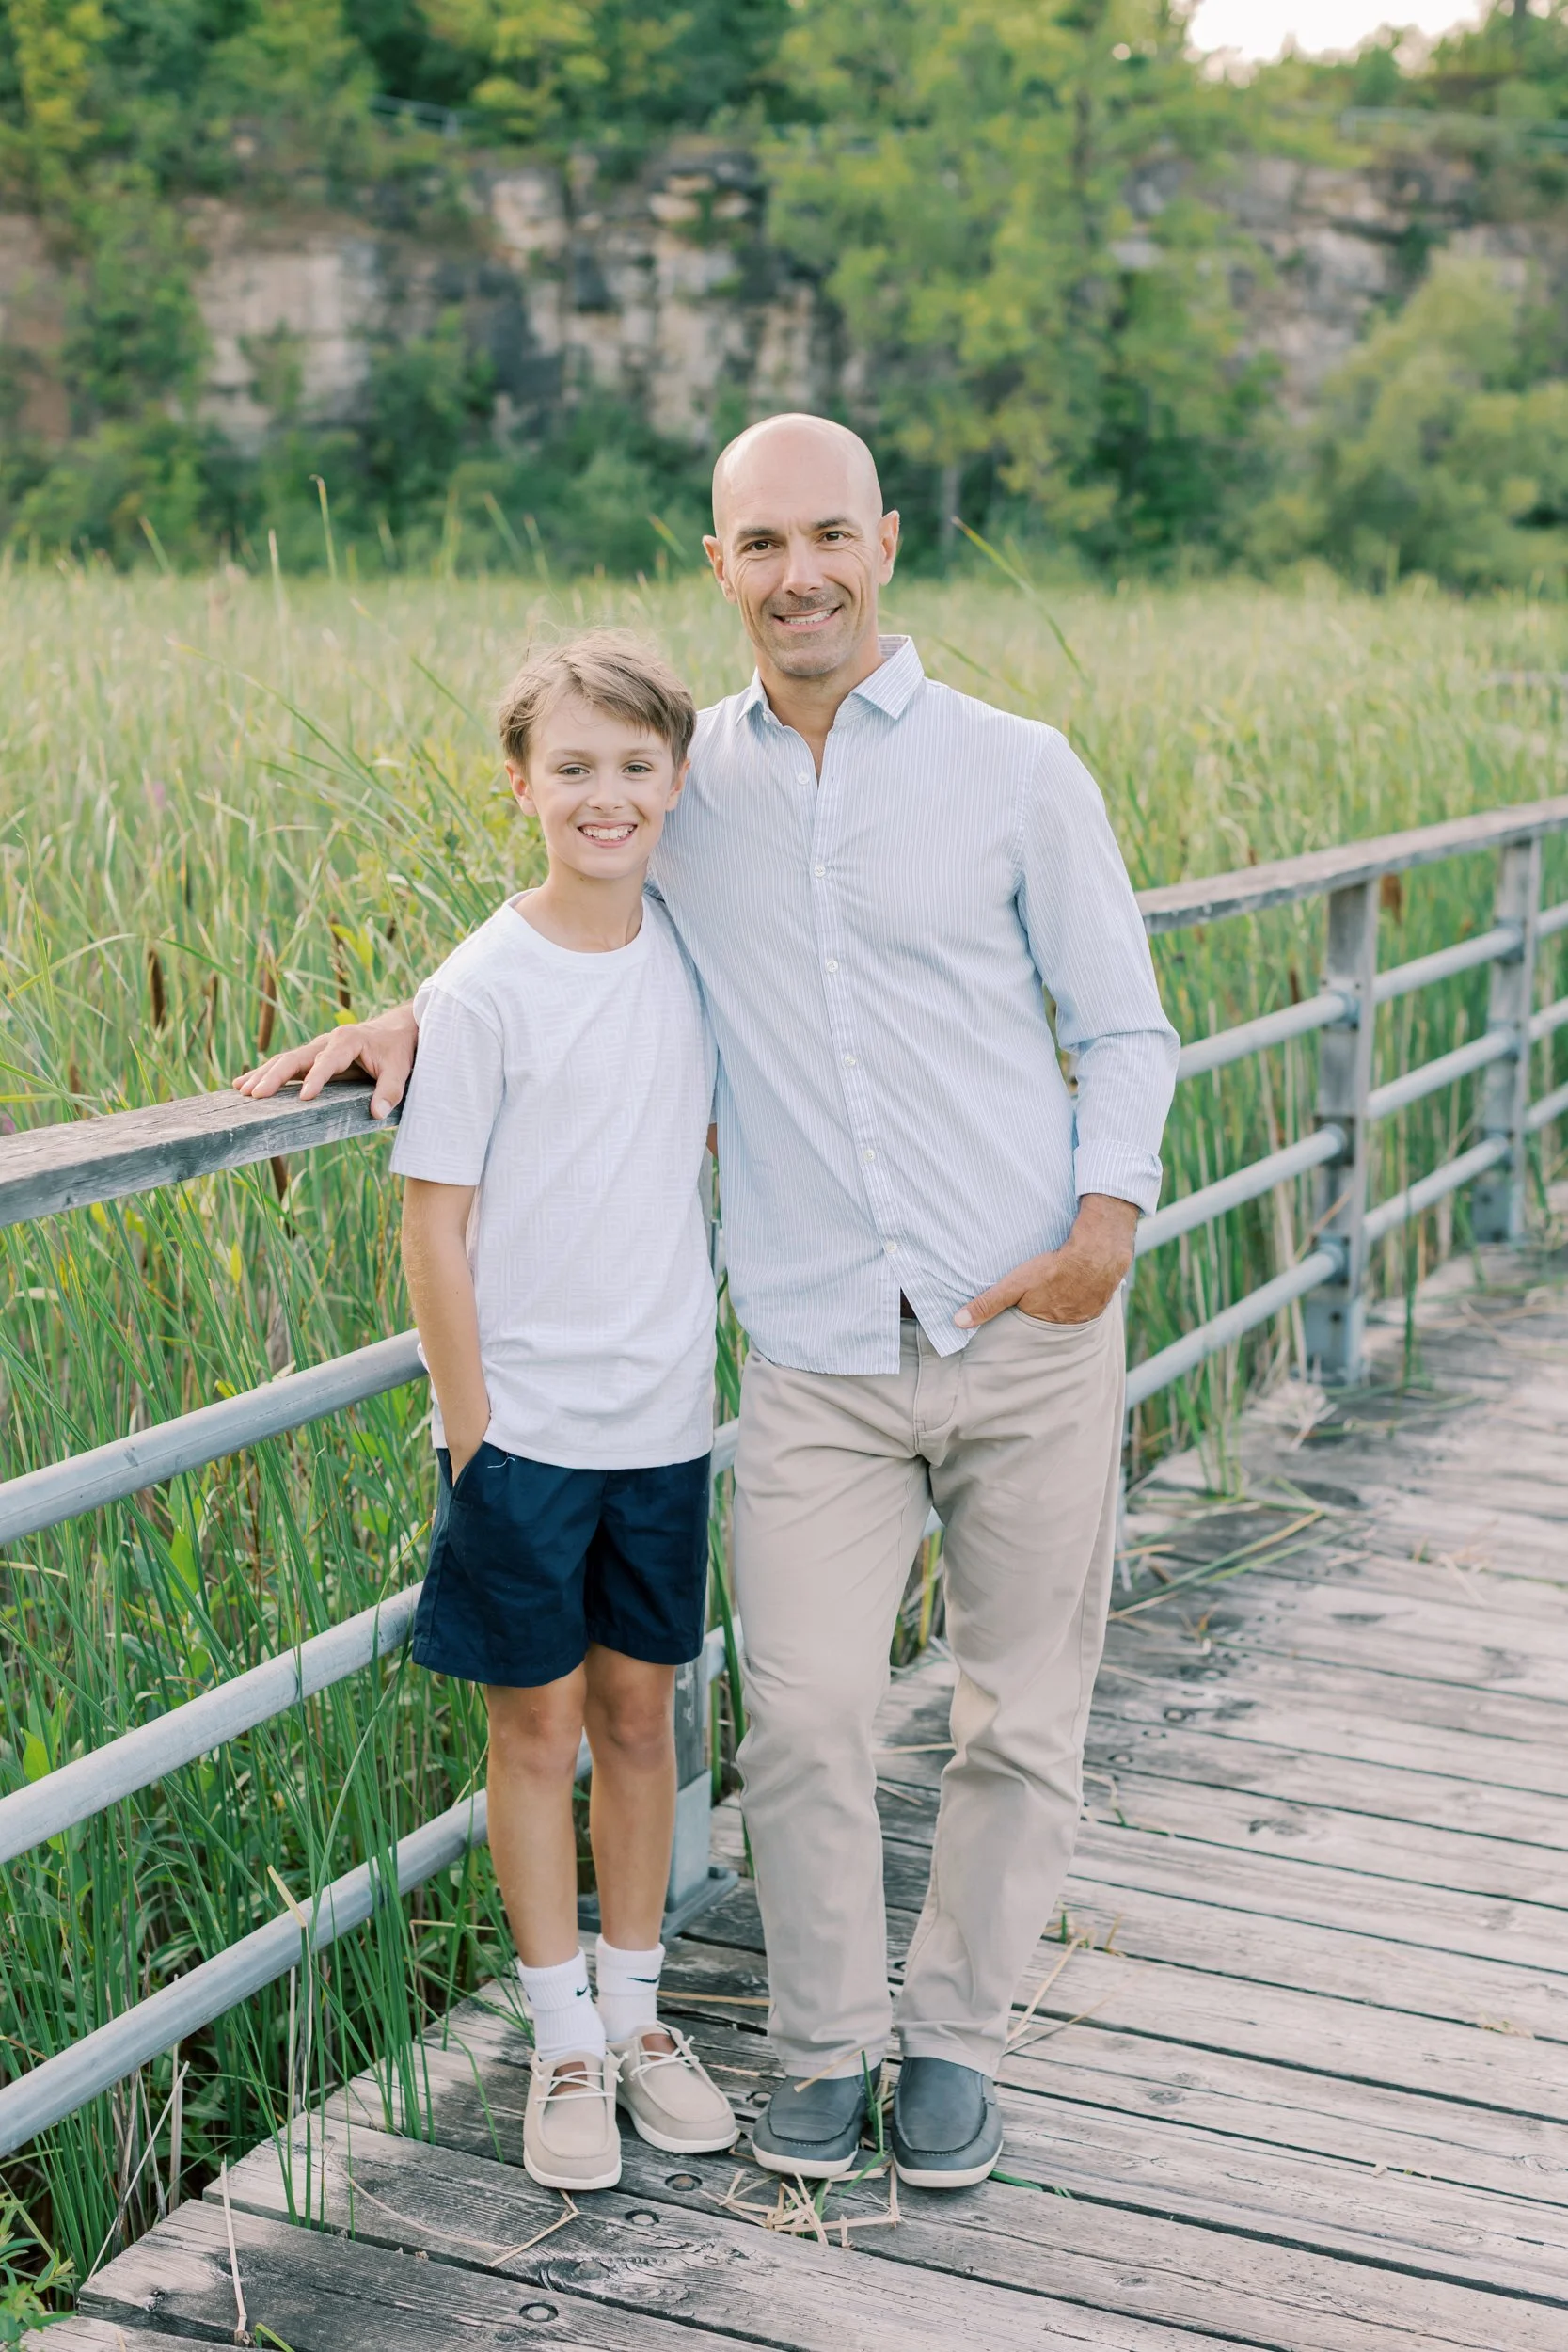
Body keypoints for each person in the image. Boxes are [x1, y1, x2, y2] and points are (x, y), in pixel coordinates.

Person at [238, 412, 1179, 2192]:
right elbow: (565, 905)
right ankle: (822, 2052)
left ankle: (956, 2045)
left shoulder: (1017, 767)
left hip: (1030, 1328)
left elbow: (1123, 1023)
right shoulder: (698, 782)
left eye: (830, 535)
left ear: (885, 543)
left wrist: (1102, 1227)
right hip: (817, 1350)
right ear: (718, 565)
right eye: (762, 545)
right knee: (802, 1716)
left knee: (1017, 1718)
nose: (799, 572)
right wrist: (414, 1025)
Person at [386, 631, 737, 2192]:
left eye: (637, 767)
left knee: (643, 1723)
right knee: (533, 1735)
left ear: (676, 782)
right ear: (520, 785)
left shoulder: (691, 950)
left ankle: (643, 2013)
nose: (607, 796)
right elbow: (434, 1228)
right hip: (524, 1438)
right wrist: (474, 1440)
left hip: (664, 1420)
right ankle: (562, 2043)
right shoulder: (481, 987)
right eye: (573, 768)